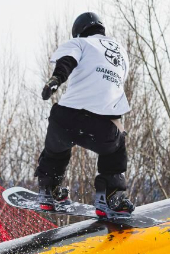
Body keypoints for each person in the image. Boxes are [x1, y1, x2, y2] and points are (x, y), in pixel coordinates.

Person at [35, 12, 135, 217]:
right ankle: (110, 196)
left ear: (79, 32)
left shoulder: (81, 44)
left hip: (65, 119)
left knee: (56, 149)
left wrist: (56, 79)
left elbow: (67, 61)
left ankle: (49, 190)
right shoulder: (121, 52)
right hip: (102, 127)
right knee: (117, 144)